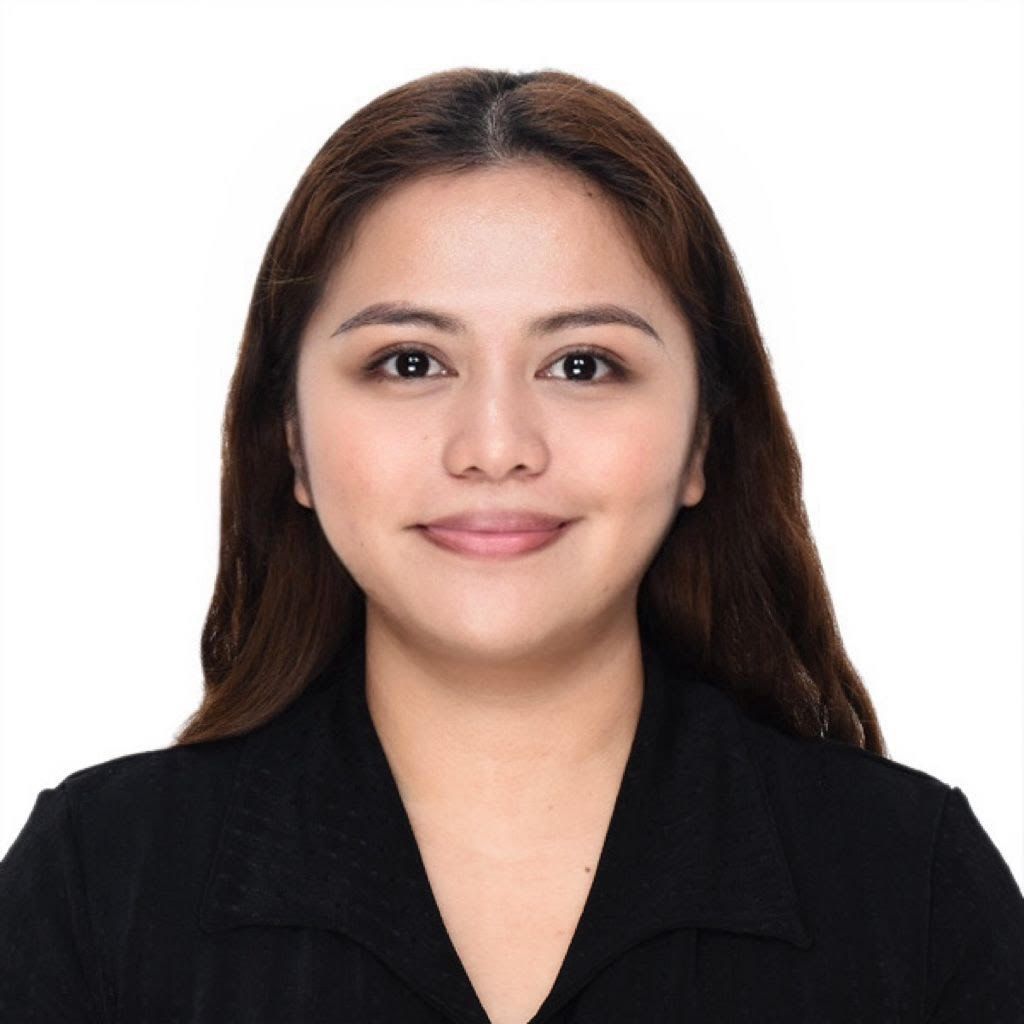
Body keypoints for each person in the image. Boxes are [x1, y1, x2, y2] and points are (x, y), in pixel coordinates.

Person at [1, 66, 1022, 1023]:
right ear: (290, 440)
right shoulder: (97, 881)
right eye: (409, 361)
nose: (495, 447)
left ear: (702, 437)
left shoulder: (911, 885)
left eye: (581, 364)